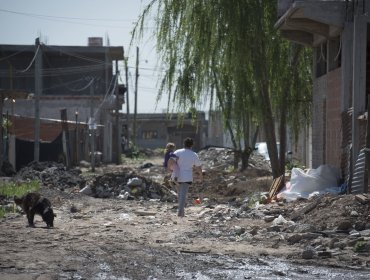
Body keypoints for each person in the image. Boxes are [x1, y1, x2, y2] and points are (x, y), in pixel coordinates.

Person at [174, 137, 202, 217]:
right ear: (192, 145)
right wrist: (200, 176)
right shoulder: (193, 154)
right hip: (187, 176)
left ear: (184, 144)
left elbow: (171, 161)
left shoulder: (177, 152)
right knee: (183, 194)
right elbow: (198, 167)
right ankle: (180, 211)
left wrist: (171, 171)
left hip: (177, 176)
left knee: (180, 193)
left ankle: (181, 210)